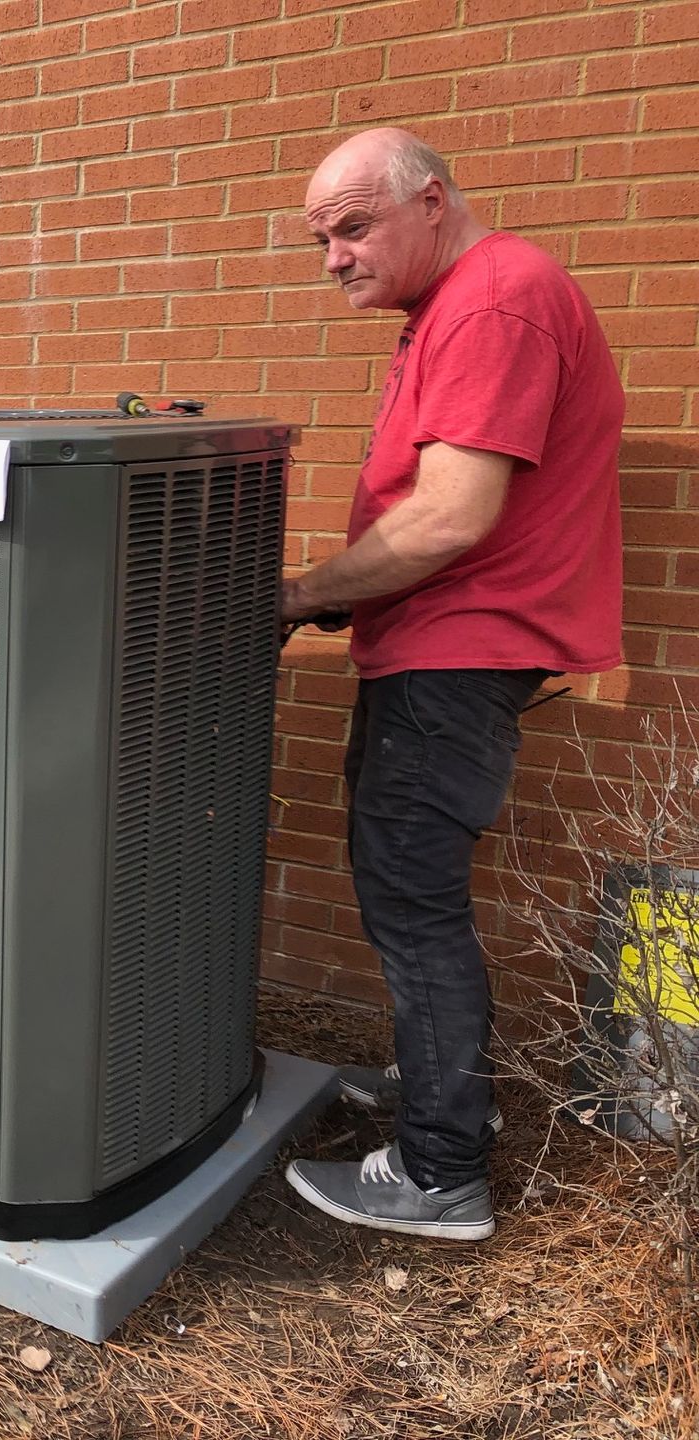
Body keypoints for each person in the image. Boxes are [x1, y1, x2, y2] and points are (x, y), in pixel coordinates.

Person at [278, 128, 624, 1239]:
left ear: (431, 201)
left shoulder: (495, 300)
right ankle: (441, 1098)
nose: (333, 256)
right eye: (320, 238)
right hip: (435, 646)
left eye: (352, 226)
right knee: (404, 892)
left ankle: (440, 1173)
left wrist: (292, 596)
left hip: (458, 652)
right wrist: (345, 596)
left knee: (411, 905)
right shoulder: (466, 304)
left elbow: (450, 516)